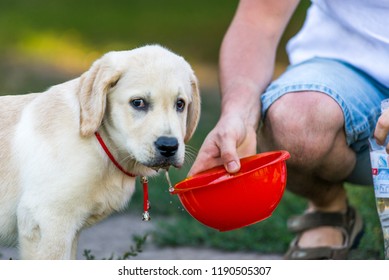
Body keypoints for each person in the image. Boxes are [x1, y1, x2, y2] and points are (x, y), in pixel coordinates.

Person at [189, 0, 389, 259]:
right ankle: (328, 210)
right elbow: (258, 22)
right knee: (293, 119)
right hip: (345, 66)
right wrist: (238, 112)